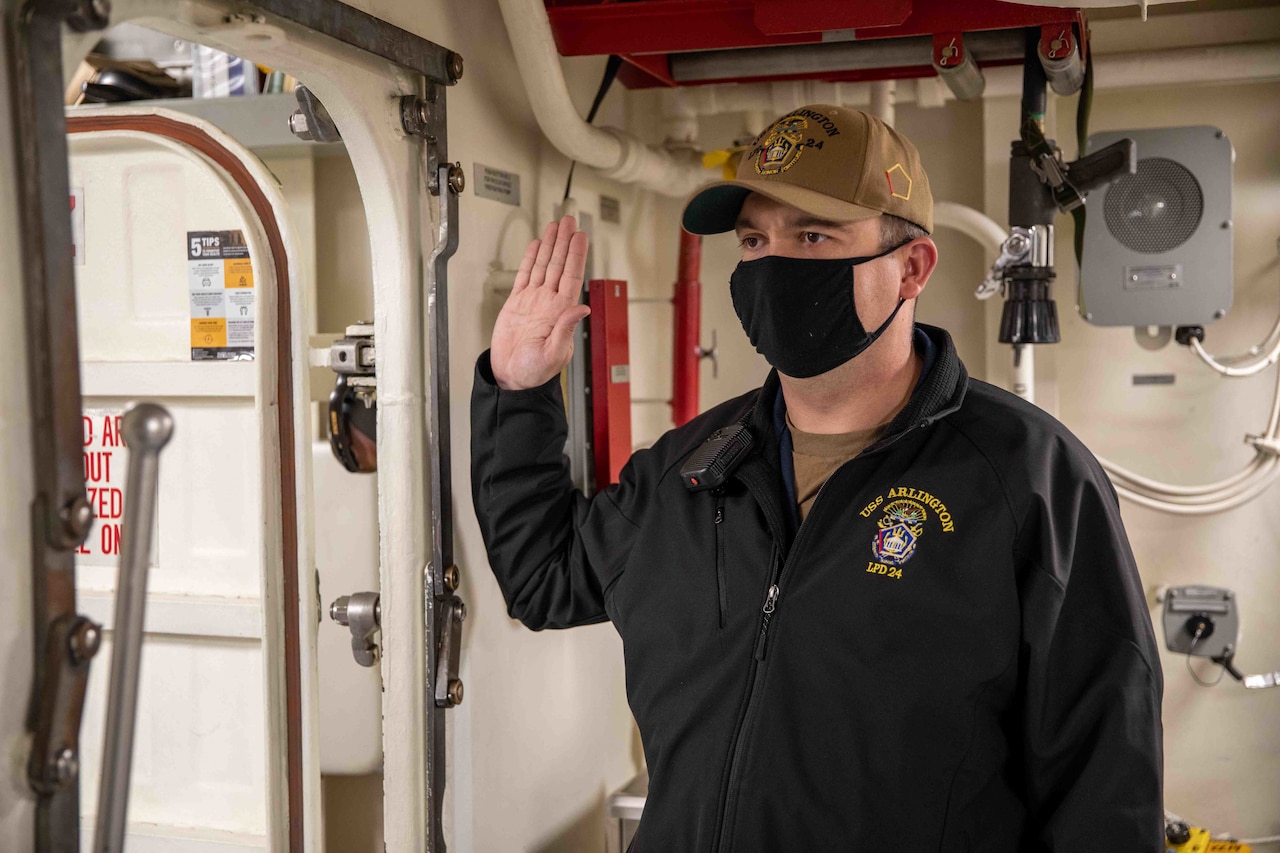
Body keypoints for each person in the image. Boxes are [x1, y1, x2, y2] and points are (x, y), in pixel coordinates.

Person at [471, 104, 1163, 851]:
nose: (773, 264)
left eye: (812, 235)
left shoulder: (1030, 480)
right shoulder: (693, 468)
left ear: (912, 266)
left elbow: (1104, 791)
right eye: (754, 240)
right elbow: (543, 574)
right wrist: (518, 387)